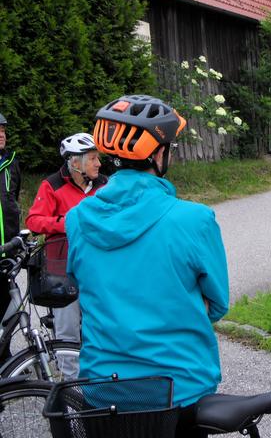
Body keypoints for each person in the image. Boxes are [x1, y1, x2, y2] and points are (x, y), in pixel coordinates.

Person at [65, 95, 229, 437]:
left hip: (101, 392)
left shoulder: (77, 219)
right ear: (157, 153)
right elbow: (216, 305)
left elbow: (84, 286)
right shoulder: (195, 219)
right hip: (177, 391)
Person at [25, 132, 107, 378]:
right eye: (92, 158)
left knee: (99, 324)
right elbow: (34, 221)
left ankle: (98, 377)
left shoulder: (105, 184)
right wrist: (68, 223)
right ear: (75, 163)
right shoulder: (52, 184)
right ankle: (70, 383)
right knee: (67, 330)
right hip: (63, 269)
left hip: (99, 268)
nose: (98, 163)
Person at [0, 112, 21, 363]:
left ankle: (6, 359)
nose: (2, 134)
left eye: (3, 130)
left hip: (8, 250)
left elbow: (12, 197)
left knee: (9, 306)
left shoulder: (12, 162)